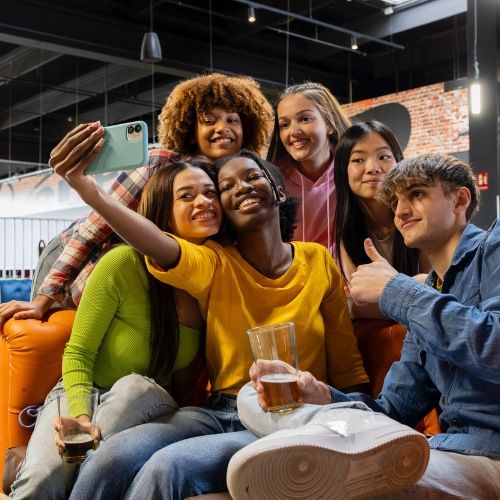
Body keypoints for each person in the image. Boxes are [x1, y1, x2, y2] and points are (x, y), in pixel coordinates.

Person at [50, 146, 369, 499]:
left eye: (252, 177)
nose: (241, 188)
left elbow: (345, 356)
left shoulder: (318, 260)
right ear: (224, 210)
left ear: (278, 191)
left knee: (167, 466)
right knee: (111, 455)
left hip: (287, 416)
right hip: (218, 410)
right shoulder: (216, 262)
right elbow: (159, 245)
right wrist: (89, 191)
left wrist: (360, 416)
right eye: (227, 187)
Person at [232, 153, 500, 499]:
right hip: (438, 451)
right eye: (396, 201)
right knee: (250, 395)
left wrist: (396, 290)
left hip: (487, 453)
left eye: (416, 194)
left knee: (375, 480)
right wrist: (322, 396)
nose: (401, 211)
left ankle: (322, 454)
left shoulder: (492, 248)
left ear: (460, 199)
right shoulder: (428, 293)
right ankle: (318, 446)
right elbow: (393, 411)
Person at [9, 160, 222, 500]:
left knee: (133, 389)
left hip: (146, 405)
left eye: (211, 193)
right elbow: (78, 354)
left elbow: (182, 385)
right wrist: (79, 416)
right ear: (163, 213)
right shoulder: (122, 263)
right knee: (43, 480)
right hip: (84, 390)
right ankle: (32, 465)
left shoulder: (212, 280)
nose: (204, 202)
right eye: (187, 195)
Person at [0, 72, 273, 328]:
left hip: (134, 273)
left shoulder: (233, 182)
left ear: (246, 126)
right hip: (80, 257)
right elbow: (95, 227)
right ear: (191, 128)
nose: (222, 128)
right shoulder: (162, 163)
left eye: (232, 120)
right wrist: (42, 300)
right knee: (53, 335)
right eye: (209, 120)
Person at [333, 120, 427, 319]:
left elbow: (436, 287)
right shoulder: (347, 230)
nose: (373, 168)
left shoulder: (418, 215)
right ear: (343, 170)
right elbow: (362, 300)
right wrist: (413, 286)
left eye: (383, 157)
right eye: (358, 160)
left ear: (398, 163)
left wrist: (366, 304)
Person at [267, 81, 351, 254]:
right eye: (285, 124)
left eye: (305, 119)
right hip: (293, 276)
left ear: (329, 123)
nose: (293, 132)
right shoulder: (270, 180)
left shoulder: (353, 171)